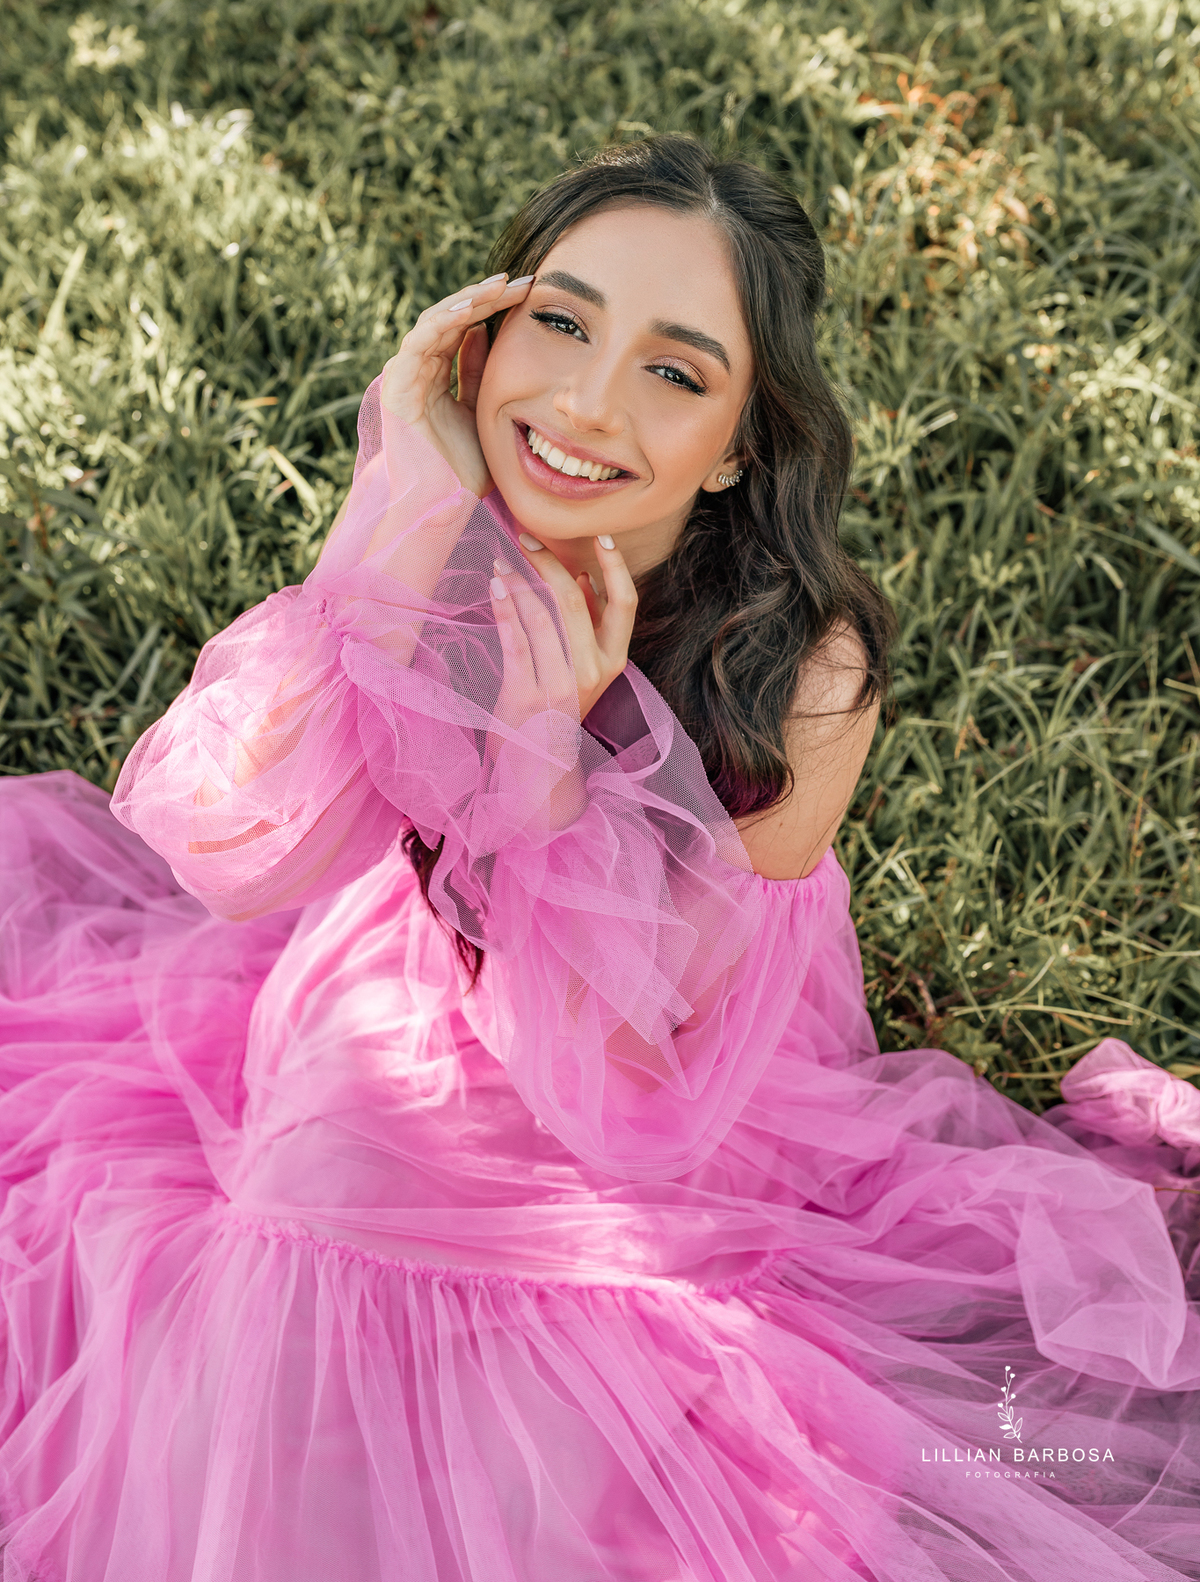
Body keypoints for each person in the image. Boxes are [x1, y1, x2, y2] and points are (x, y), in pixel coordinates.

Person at [1, 136, 1198, 1582]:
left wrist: (543, 771)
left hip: (657, 1085)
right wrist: (398, 511)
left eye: (675, 372)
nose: (582, 401)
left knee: (555, 1462)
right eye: (559, 322)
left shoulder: (806, 675)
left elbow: (634, 1078)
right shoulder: (445, 538)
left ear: (746, 438)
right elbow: (233, 857)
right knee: (282, 1276)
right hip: (388, 1008)